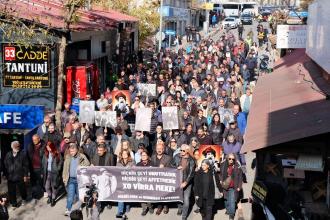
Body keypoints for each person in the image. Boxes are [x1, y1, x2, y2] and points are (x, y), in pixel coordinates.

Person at [63, 143, 90, 216]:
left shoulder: (81, 156)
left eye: (73, 151)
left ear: (77, 150)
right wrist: (64, 178)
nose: (71, 153)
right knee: (70, 195)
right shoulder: (68, 157)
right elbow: (65, 168)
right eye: (70, 151)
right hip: (71, 179)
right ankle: (68, 209)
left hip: (79, 179)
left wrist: (83, 160)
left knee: (79, 195)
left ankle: (79, 207)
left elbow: (88, 164)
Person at [170, 144, 195, 220]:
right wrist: (176, 167)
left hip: (187, 183)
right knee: (178, 197)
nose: (181, 151)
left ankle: (184, 216)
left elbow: (191, 173)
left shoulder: (191, 160)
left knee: (186, 199)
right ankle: (180, 208)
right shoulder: (177, 156)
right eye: (180, 150)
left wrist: (186, 182)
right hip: (177, 181)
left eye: (183, 150)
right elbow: (171, 165)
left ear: (187, 151)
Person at [4, 141, 29, 208]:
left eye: (18, 146)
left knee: (22, 189)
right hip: (10, 176)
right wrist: (6, 174)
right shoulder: (8, 154)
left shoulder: (22, 154)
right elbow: (5, 164)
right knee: (11, 191)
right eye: (16, 146)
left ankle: (24, 199)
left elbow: (26, 165)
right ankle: (13, 203)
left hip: (20, 175)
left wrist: (25, 175)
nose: (17, 147)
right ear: (12, 147)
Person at [220, 153, 243, 220]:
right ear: (227, 158)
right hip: (225, 185)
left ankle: (231, 215)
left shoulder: (237, 166)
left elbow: (240, 177)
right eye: (229, 158)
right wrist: (221, 180)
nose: (231, 160)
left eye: (233, 159)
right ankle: (228, 210)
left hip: (233, 186)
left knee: (232, 201)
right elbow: (220, 174)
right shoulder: (223, 165)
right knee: (226, 200)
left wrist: (239, 186)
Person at [151, 143, 172, 215]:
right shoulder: (153, 157)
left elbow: (171, 169)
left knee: (165, 193)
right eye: (158, 149)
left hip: (165, 179)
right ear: (156, 149)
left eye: (161, 149)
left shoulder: (168, 157)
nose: (159, 150)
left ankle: (166, 206)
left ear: (163, 149)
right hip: (156, 179)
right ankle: (159, 206)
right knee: (158, 193)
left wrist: (164, 168)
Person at [42, 142, 63, 207]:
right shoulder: (46, 154)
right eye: (47, 147)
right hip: (48, 172)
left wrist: (58, 169)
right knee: (47, 187)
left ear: (52, 146)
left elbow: (61, 162)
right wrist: (43, 171)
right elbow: (43, 163)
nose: (48, 149)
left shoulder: (57, 153)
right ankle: (50, 196)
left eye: (49, 147)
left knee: (54, 187)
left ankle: (53, 199)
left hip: (55, 173)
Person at [116, 149, 135, 218]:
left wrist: (131, 168)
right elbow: (116, 171)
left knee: (128, 194)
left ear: (128, 154)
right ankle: (120, 211)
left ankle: (127, 205)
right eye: (123, 154)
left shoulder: (132, 162)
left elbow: (135, 170)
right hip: (121, 181)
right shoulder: (119, 162)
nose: (124, 155)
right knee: (121, 195)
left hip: (129, 180)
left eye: (125, 154)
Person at [27, 134, 46, 200]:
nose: (34, 141)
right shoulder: (30, 146)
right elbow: (28, 158)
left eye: (35, 140)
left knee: (41, 181)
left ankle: (44, 191)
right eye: (33, 140)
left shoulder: (43, 145)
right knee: (33, 182)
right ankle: (35, 194)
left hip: (40, 167)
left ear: (39, 139)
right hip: (32, 168)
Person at [136, 149, 153, 215]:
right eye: (142, 155)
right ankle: (144, 209)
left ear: (147, 156)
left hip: (149, 183)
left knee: (149, 198)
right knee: (142, 197)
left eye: (144, 155)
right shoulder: (138, 164)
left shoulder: (152, 163)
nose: (143, 156)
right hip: (141, 183)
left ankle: (150, 206)